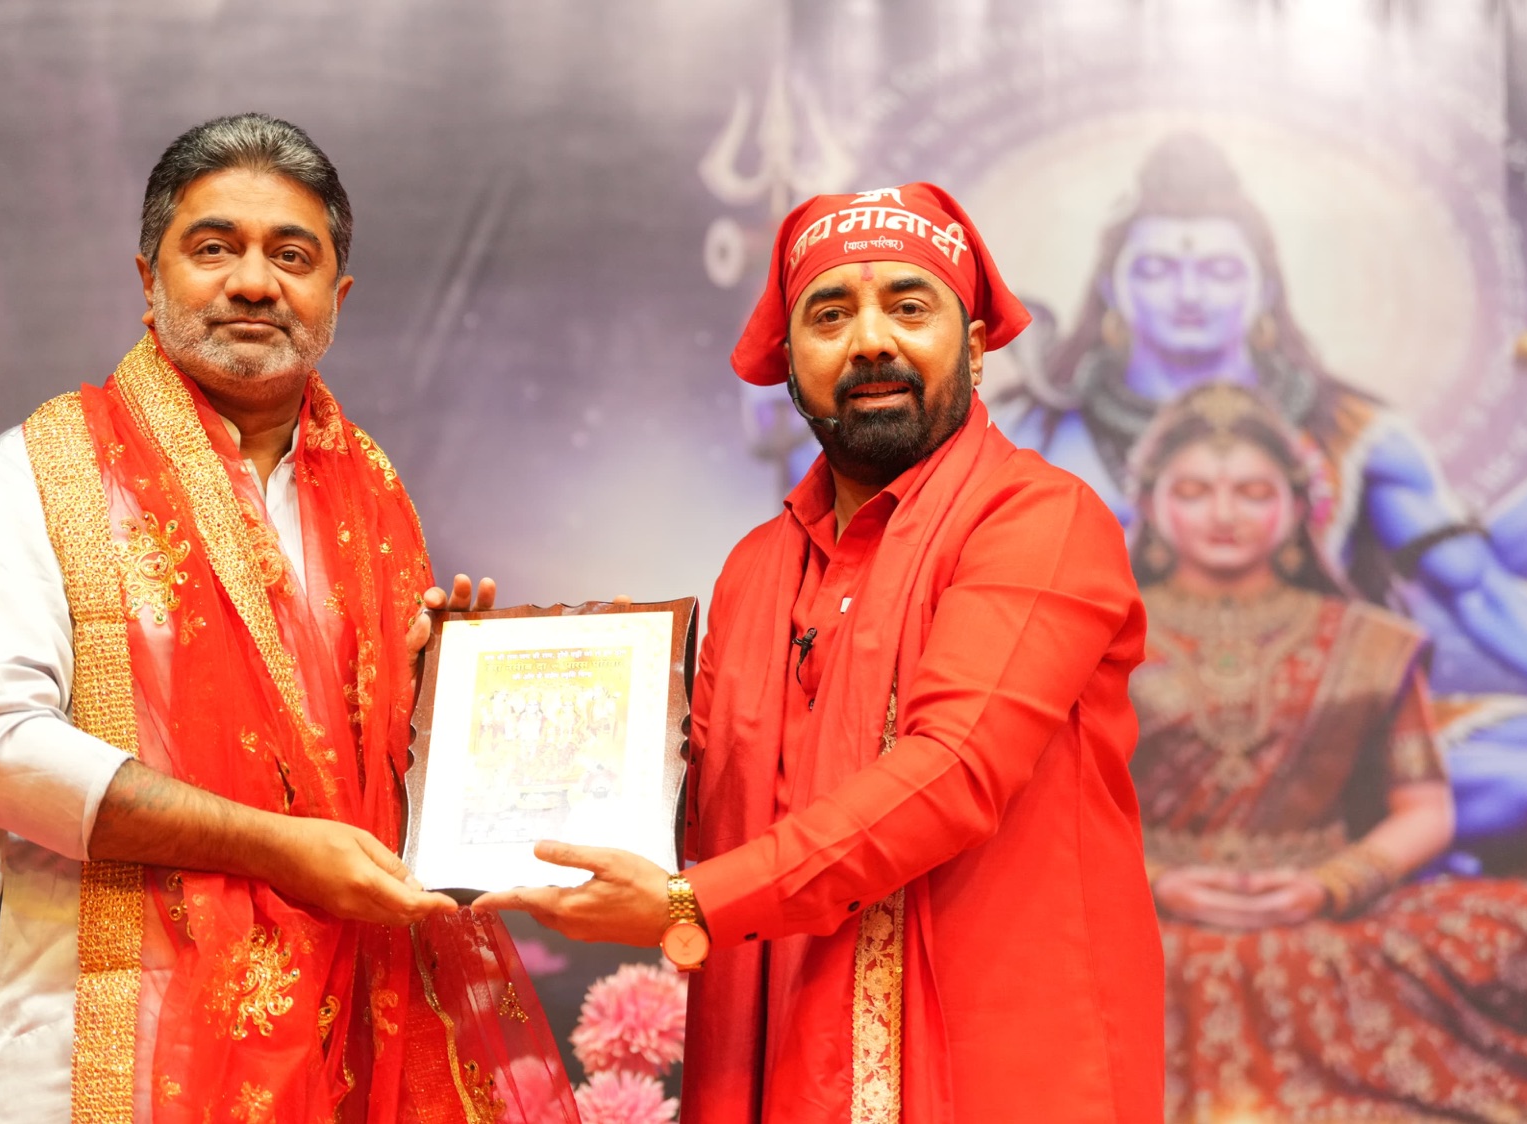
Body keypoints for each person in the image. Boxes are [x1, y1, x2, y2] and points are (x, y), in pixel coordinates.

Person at [0, 113, 574, 1123]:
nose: (255, 282)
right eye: (214, 247)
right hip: (119, 1036)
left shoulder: (370, 492)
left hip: (345, 1031)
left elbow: (348, 771)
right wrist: (274, 847)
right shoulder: (35, 475)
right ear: (149, 279)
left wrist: (428, 709)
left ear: (337, 296)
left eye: (291, 255)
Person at [481, 183, 1163, 1121]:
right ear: (789, 363)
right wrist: (474, 708)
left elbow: (953, 771)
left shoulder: (1040, 520)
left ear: (973, 346)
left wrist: (689, 904)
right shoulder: (757, 568)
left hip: (992, 1065)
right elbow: (698, 809)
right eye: (830, 315)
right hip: (777, 1053)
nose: (871, 341)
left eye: (909, 307)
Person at [992, 132, 1527, 848]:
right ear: (1111, 286)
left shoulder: (1351, 429)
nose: (1188, 295)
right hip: (1113, 745)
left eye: (1218, 270)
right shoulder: (1031, 429)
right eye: (1155, 269)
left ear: (1265, 286)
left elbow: (1477, 585)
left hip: (1325, 756)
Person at [1128, 382, 1527, 1122]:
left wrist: (1330, 884)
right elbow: (1054, 806)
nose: (1223, 513)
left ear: (1298, 509)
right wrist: (1159, 883)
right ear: (1150, 506)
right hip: (1142, 907)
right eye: (1194, 491)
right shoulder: (1096, 632)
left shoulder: (1371, 641)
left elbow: (1425, 808)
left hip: (1325, 900)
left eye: (1252, 492)